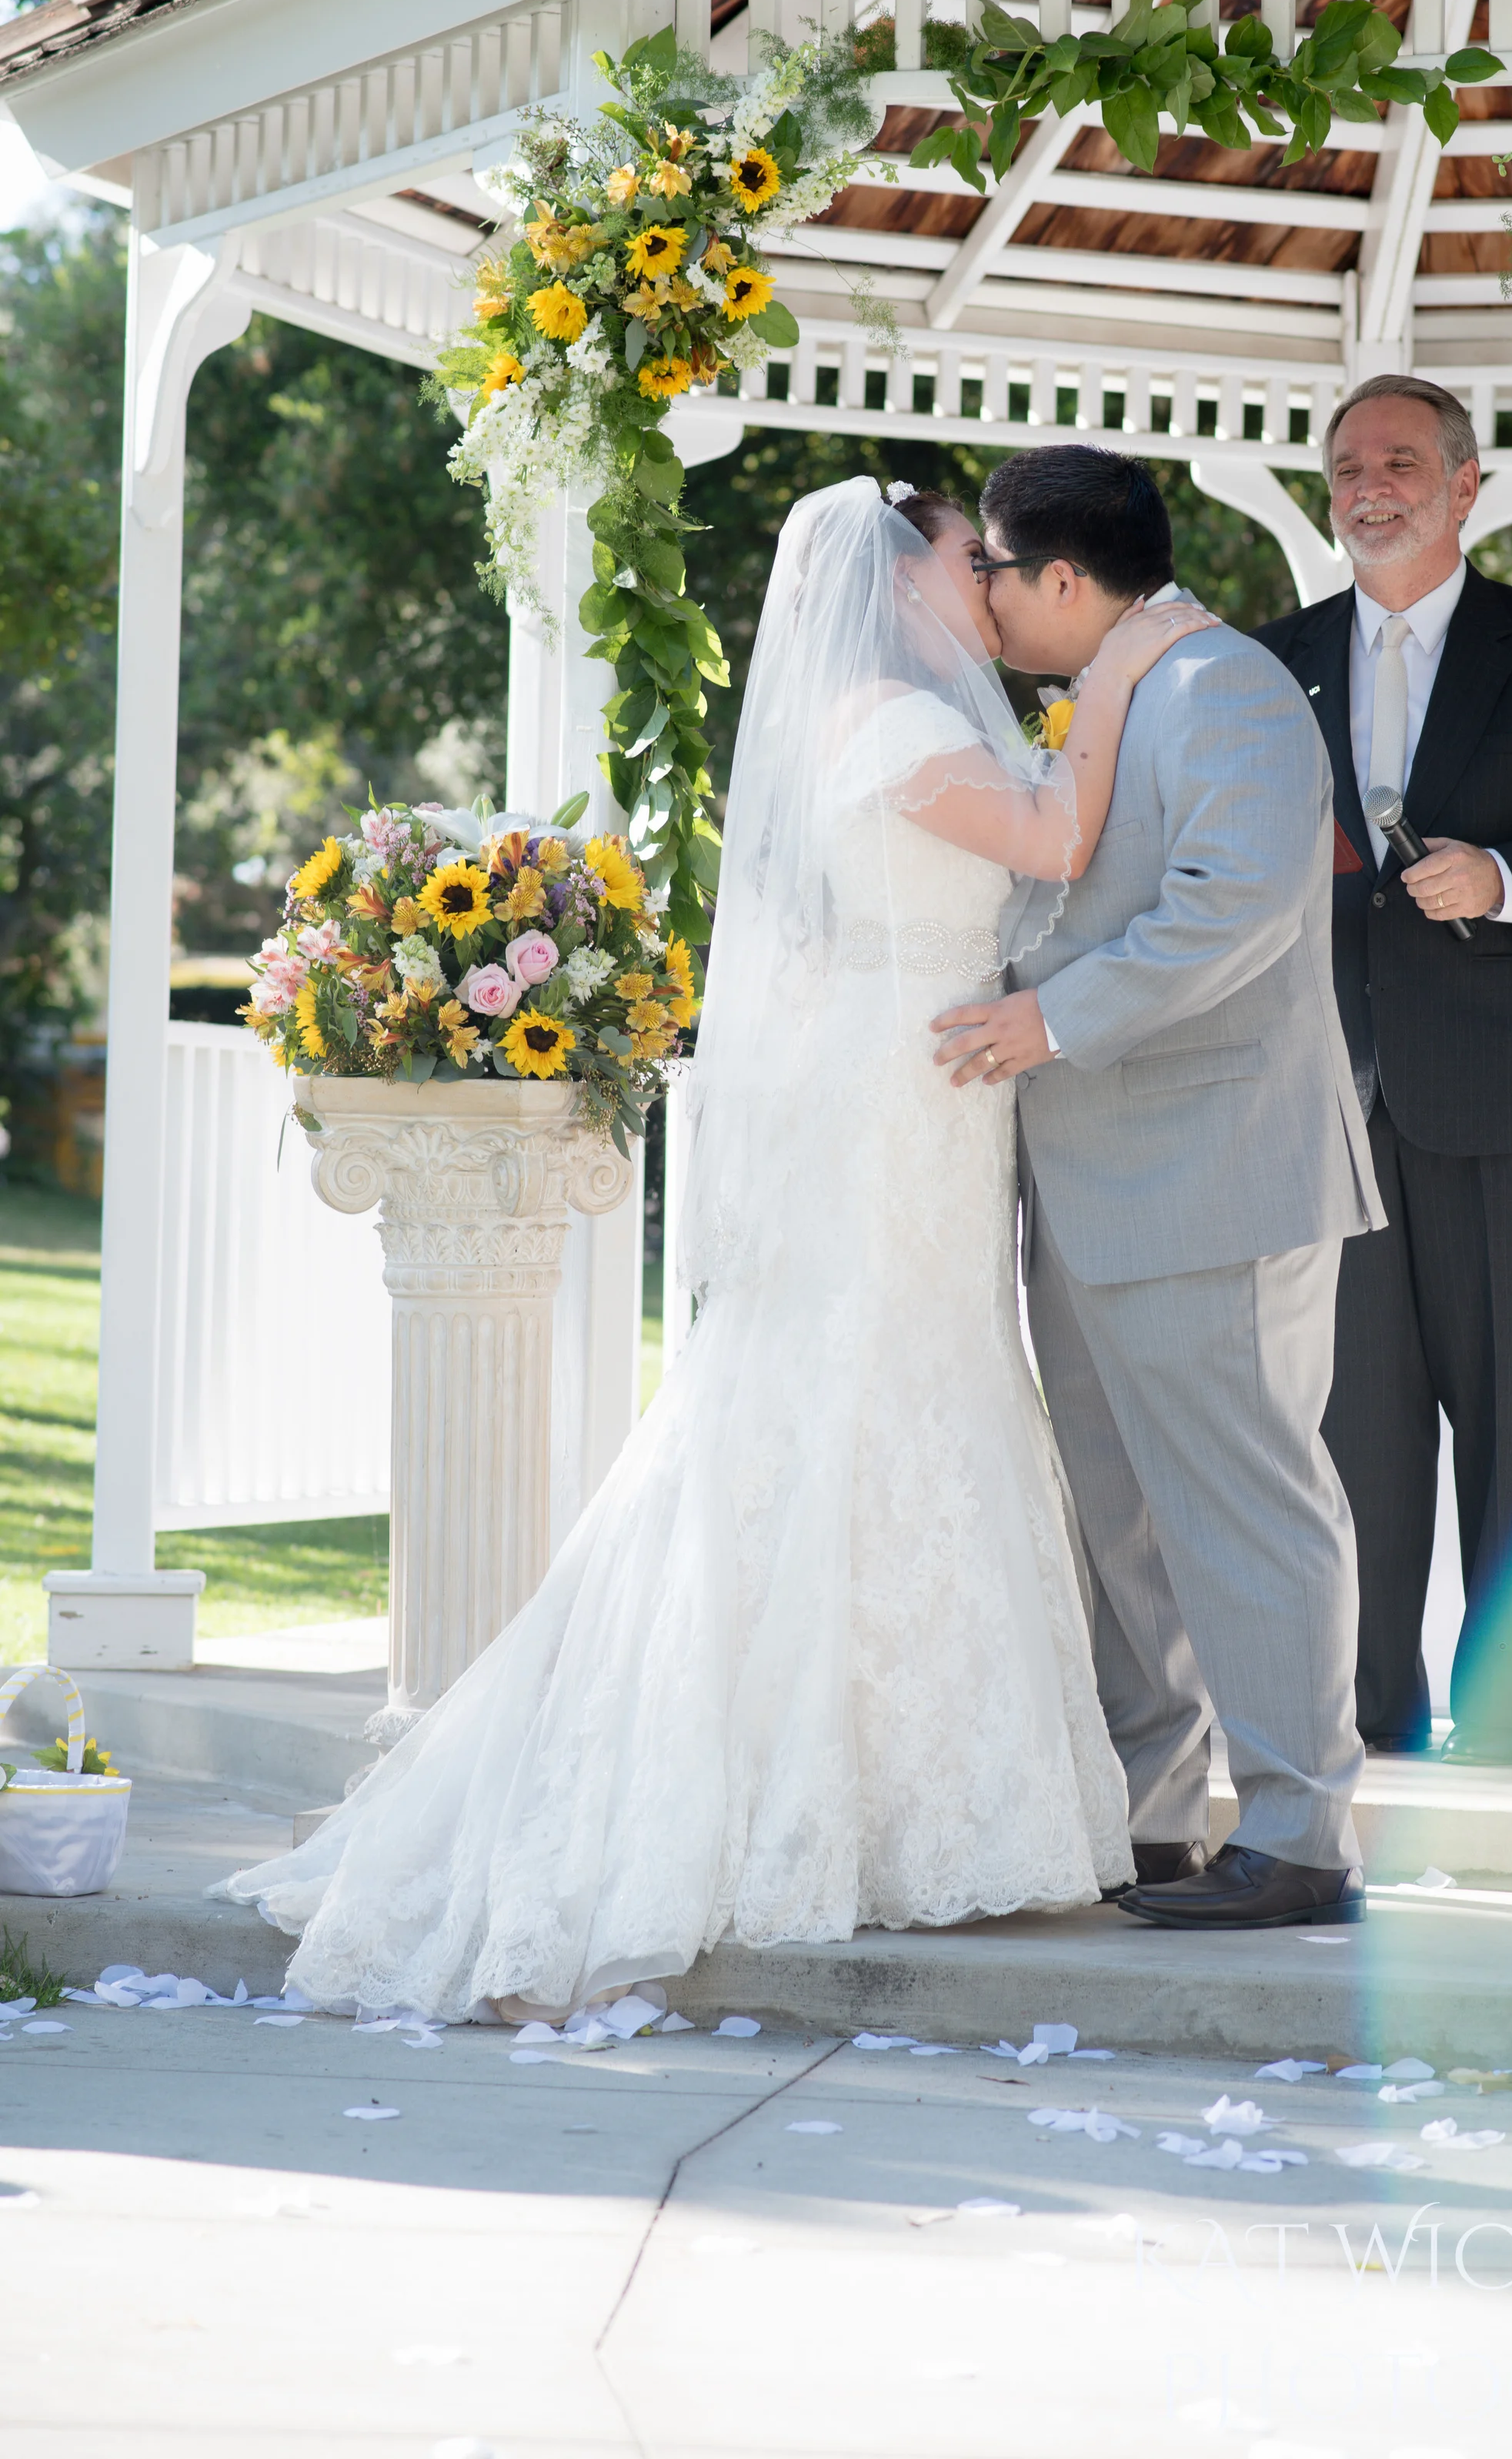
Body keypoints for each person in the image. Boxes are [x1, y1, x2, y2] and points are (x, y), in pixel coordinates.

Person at [219, 476, 1215, 2020]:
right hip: (895, 1091)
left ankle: (911, 1798)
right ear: (900, 583)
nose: (994, 577)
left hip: (927, 1086)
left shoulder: (908, 717)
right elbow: (1061, 827)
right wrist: (1124, 667)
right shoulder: (889, 725)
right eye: (971, 557)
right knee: (860, 1388)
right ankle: (819, 1800)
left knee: (920, 1382)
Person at [931, 446, 1382, 1932]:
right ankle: (1157, 1817)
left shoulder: (1223, 688)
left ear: (1067, 578)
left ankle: (1305, 1832)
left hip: (1214, 1173)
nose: (983, 599)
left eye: (992, 569)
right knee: (1122, 1517)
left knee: (1248, 1504)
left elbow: (1232, 908)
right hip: (1093, 1178)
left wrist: (1048, 1020)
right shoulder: (1121, 697)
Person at [1258, 376, 1512, 1762]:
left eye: (1398, 461)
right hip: (1335, 1100)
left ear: (1464, 485)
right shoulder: (1277, 659)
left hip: (1504, 1103)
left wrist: (1500, 877)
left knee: (1509, 1427)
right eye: (1346, 467)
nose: (1368, 485)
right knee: (1357, 1436)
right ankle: (1378, 1720)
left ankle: (1500, 1732)